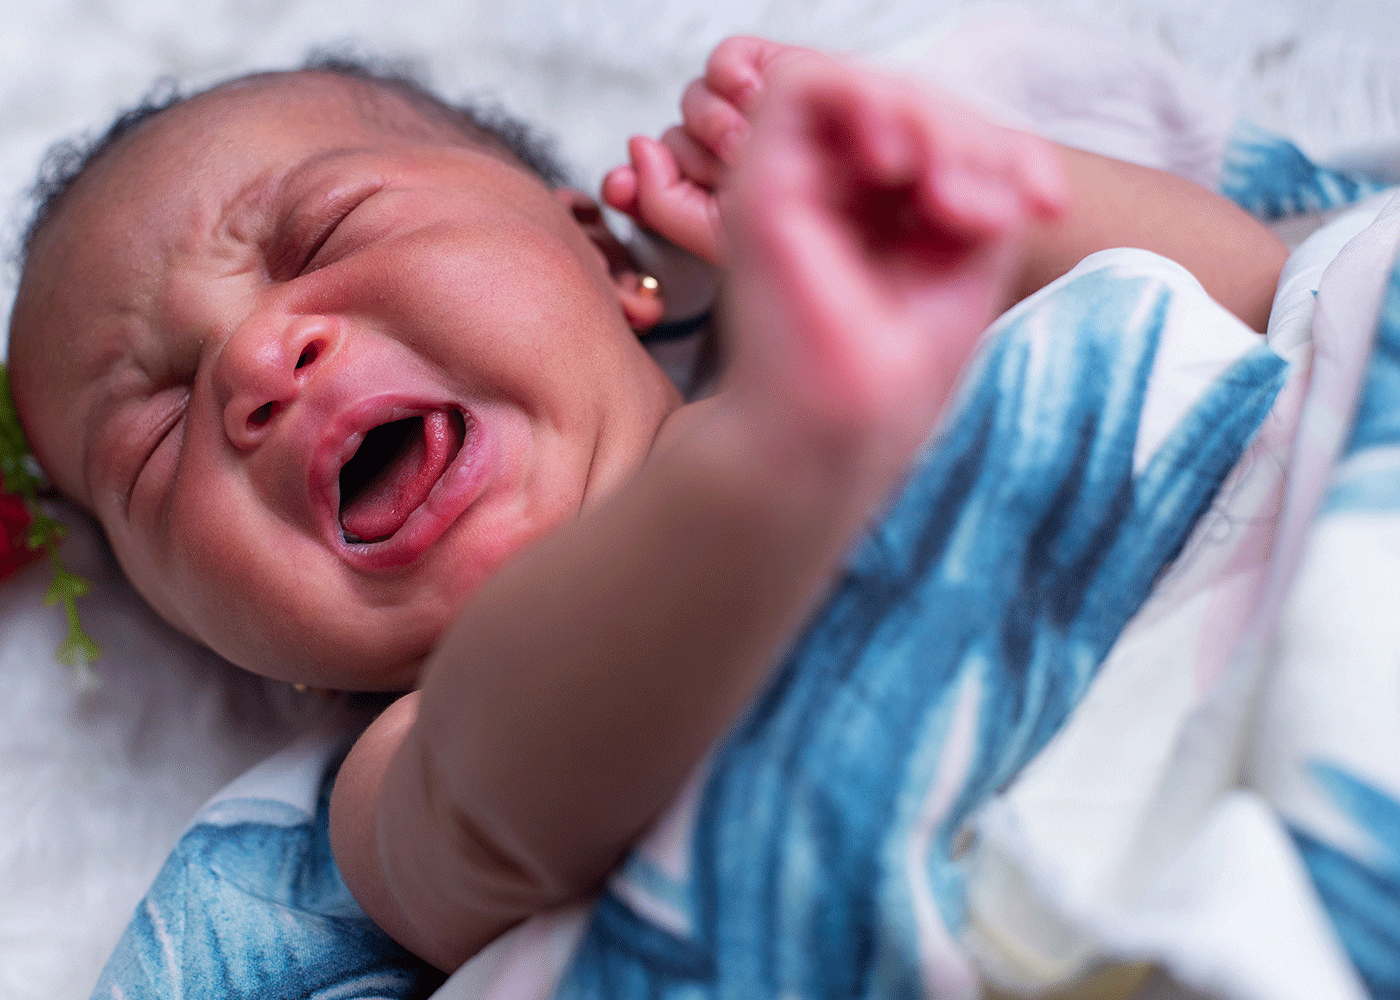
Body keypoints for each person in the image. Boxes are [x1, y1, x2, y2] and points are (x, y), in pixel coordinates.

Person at [4, 35, 1286, 981]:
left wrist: (939, 202)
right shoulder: (398, 780)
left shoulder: (937, 343)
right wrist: (775, 460)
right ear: (242, 651)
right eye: (156, 440)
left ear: (607, 256)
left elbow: (1256, 298)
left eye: (324, 234)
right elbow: (500, 797)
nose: (251, 366)